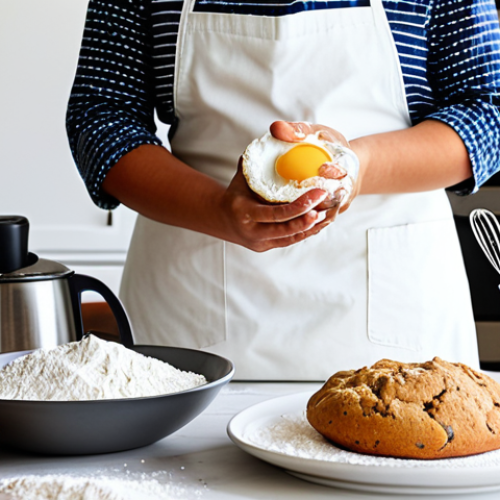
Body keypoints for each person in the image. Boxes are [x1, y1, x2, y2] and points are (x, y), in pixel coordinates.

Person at [67, 0, 500, 380]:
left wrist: (358, 166)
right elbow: (100, 114)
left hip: (392, 308)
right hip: (195, 304)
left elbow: (488, 111)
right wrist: (216, 209)